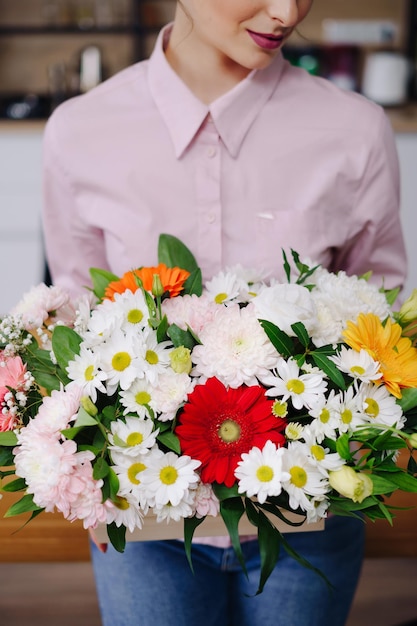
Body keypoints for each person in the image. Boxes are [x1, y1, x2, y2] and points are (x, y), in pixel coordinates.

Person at [41, 1, 407, 625]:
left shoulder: (354, 129)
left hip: (307, 519)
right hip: (143, 526)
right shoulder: (80, 131)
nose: (287, 11)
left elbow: (383, 314)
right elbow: (72, 319)